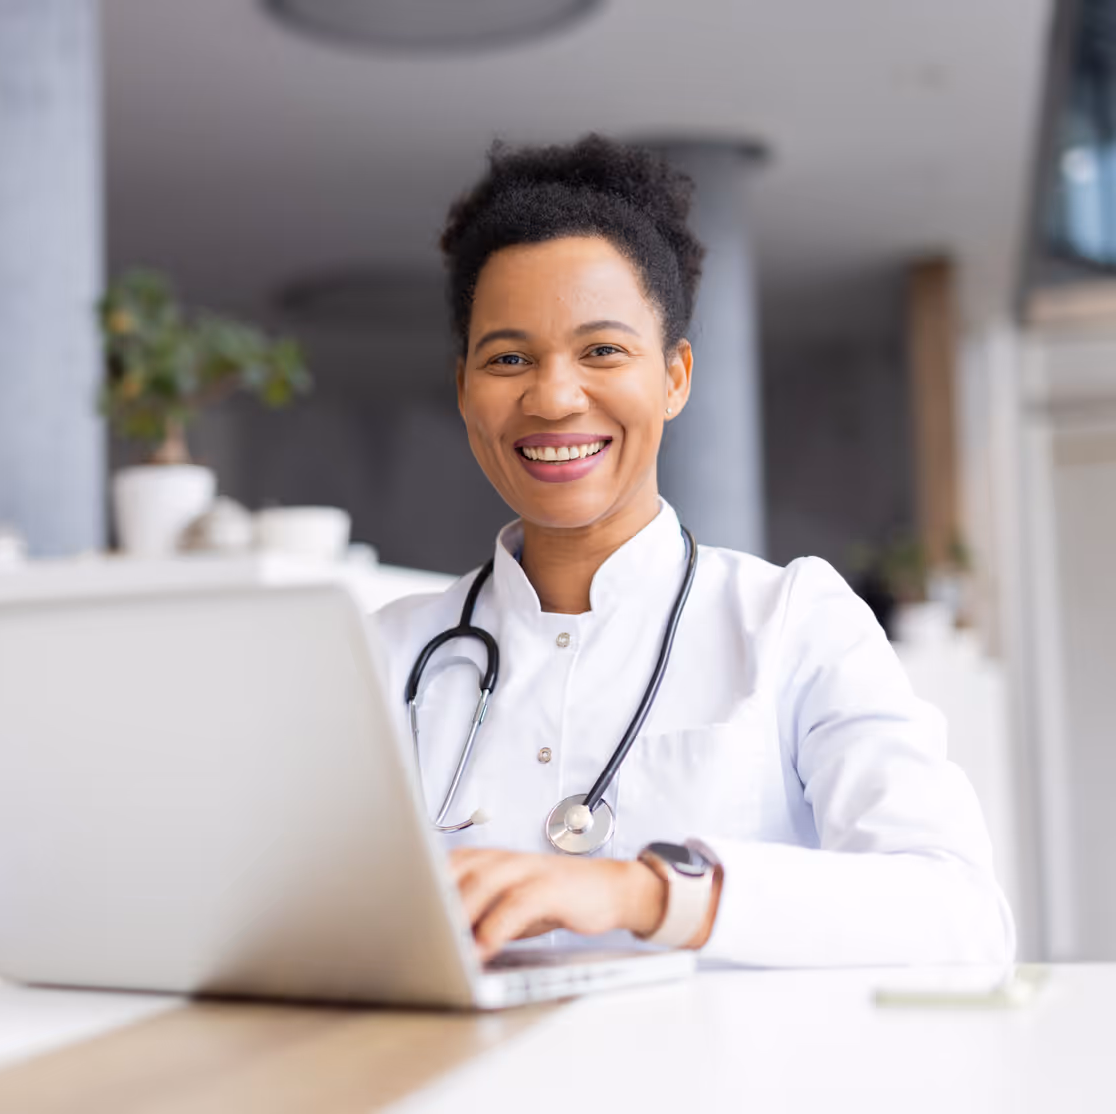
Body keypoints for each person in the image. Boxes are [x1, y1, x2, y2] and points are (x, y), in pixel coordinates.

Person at [377, 135, 1012, 967]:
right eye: (509, 358)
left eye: (603, 351)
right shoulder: (388, 653)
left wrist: (652, 895)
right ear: (465, 389)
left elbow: (961, 918)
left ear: (675, 377)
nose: (554, 396)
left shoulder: (795, 623)